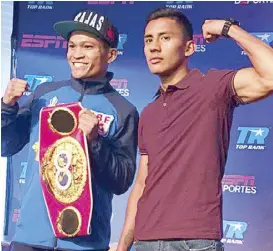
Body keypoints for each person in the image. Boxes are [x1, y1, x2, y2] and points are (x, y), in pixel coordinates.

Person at [117, 7, 273, 251]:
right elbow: (142, 182)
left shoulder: (213, 87)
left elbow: (271, 75)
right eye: (149, 40)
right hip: (145, 241)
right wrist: (123, 245)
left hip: (195, 242)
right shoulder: (149, 112)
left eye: (165, 38)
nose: (154, 47)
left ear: (189, 48)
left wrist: (228, 28)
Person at [1, 9, 139, 251]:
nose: (77, 54)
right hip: (29, 239)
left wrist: (95, 141)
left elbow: (121, 182)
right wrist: (7, 106)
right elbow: (6, 145)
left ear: (111, 54)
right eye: (72, 46)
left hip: (84, 244)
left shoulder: (123, 110)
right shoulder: (44, 95)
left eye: (87, 47)